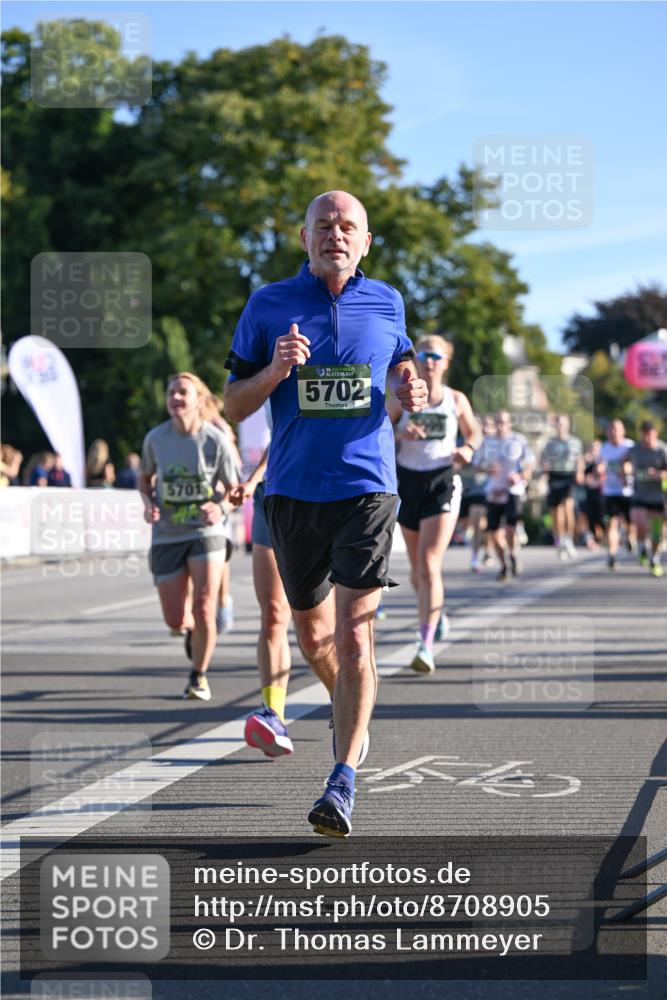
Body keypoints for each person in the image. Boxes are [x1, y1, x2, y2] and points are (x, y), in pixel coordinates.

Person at [224, 189, 427, 837]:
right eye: (322, 225)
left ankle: (341, 780)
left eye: (347, 227)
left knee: (354, 634)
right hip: (290, 492)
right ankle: (353, 713)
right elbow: (229, 404)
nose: (334, 235)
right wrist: (276, 372)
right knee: (312, 638)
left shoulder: (387, 300)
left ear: (364, 242)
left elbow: (402, 368)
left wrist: (410, 387)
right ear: (304, 237)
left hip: (367, 487)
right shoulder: (267, 305)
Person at [138, 372, 238, 701]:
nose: (176, 399)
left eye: (183, 393)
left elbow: (235, 490)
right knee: (176, 618)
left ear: (198, 400)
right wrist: (149, 502)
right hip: (167, 533)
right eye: (171, 394)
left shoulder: (215, 440)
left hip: (205, 532)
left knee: (205, 605)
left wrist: (220, 508)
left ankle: (199, 676)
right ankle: (192, 631)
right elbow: (145, 477)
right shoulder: (156, 438)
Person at [386, 334, 480, 673]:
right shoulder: (402, 396)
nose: (429, 361)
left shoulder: (455, 400)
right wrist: (400, 434)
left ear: (446, 362)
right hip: (408, 481)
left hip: (442, 480)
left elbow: (474, 433)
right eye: (423, 355)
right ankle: (436, 612)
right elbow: (380, 429)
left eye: (436, 356)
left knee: (428, 564)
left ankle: (424, 643)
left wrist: (467, 450)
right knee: (417, 571)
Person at [474, 411, 534, 582]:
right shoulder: (487, 442)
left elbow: (530, 462)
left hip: (513, 490)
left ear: (509, 424)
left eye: (504, 422)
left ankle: (513, 554)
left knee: (510, 528)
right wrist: (488, 469)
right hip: (494, 491)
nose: (501, 425)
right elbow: (476, 465)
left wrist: (520, 476)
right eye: (497, 422)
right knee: (493, 533)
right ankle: (504, 565)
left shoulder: (518, 440)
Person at [201, 392, 243, 634]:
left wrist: (225, 488)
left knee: (219, 556)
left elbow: (234, 464)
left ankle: (223, 601)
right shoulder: (194, 425)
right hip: (198, 499)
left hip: (219, 499)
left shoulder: (220, 428)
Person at [624, 421, 667, 577]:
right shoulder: (635, 449)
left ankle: (654, 559)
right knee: (639, 522)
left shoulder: (662, 450)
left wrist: (658, 474)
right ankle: (642, 546)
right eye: (644, 435)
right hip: (639, 494)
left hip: (656, 497)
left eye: (650, 434)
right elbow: (625, 462)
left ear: (655, 433)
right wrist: (625, 473)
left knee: (656, 533)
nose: (647, 438)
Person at [540, 414, 584, 560]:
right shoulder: (550, 443)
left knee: (568, 508)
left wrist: (579, 472)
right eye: (558, 423)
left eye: (562, 423)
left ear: (568, 425)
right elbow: (544, 460)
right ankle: (560, 540)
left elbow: (579, 459)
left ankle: (569, 539)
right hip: (555, 476)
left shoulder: (575, 442)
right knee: (556, 512)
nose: (560, 426)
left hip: (568, 476)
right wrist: (545, 467)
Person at [598, 419, 634, 571]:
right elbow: (598, 466)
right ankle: (612, 555)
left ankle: (629, 536)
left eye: (617, 429)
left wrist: (627, 469)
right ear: (607, 432)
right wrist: (598, 469)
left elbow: (635, 465)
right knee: (611, 523)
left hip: (627, 491)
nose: (614, 432)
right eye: (611, 429)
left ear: (623, 431)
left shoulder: (629, 446)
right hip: (610, 491)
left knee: (629, 522)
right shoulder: (604, 448)